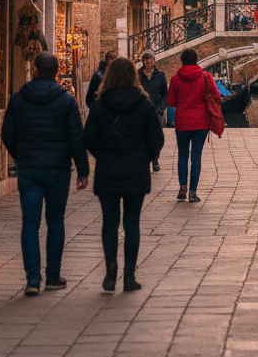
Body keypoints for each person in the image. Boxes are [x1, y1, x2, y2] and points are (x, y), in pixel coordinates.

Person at [0, 52, 88, 296]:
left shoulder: (18, 99)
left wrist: (22, 156)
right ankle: (53, 276)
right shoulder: (66, 100)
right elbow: (76, 138)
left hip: (29, 170)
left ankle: (32, 280)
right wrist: (83, 170)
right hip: (58, 169)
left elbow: (7, 133)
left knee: (30, 223)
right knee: (55, 221)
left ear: (35, 70)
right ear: (57, 72)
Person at [83, 57, 164, 292]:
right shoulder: (145, 105)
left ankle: (110, 272)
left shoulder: (99, 105)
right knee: (132, 223)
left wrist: (104, 154)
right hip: (136, 170)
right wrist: (143, 158)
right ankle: (129, 276)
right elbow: (156, 140)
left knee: (109, 223)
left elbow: (89, 138)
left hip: (108, 169)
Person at [167, 48, 218, 203]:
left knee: (183, 155)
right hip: (201, 122)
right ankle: (192, 192)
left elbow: (170, 102)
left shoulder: (175, 78)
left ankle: (182, 188)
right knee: (196, 156)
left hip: (182, 121)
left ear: (182, 60)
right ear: (196, 60)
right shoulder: (205, 76)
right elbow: (216, 96)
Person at [138, 51, 168, 172]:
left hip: (156, 111)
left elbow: (165, 94)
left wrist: (160, 109)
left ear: (154, 61)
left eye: (151, 60)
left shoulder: (160, 75)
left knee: (155, 137)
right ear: (143, 61)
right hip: (141, 111)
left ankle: (155, 159)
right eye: (146, 60)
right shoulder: (137, 75)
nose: (149, 62)